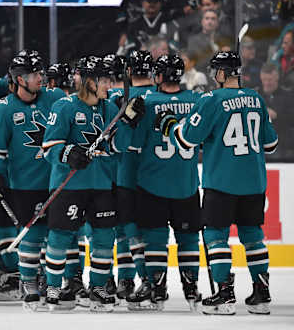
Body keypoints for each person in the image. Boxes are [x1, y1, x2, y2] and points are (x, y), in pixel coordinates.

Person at [156, 51, 278, 315]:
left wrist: (169, 125)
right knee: (253, 236)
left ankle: (224, 294)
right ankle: (262, 293)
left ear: (222, 73)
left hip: (222, 181)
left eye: (215, 71)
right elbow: (271, 143)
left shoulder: (211, 99)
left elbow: (186, 140)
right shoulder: (256, 98)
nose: (213, 75)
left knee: (215, 236)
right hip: (255, 182)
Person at [41, 56, 143, 312]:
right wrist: (69, 154)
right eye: (104, 80)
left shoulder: (110, 109)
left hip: (102, 185)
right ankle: (53, 284)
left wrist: (129, 124)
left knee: (104, 237)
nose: (109, 84)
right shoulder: (64, 107)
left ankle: (97, 286)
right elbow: (48, 147)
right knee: (60, 236)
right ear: (89, 82)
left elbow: (117, 146)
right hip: (70, 185)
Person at [0, 51, 65, 311]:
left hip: (57, 181)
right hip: (25, 185)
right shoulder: (4, 108)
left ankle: (59, 281)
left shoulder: (56, 99)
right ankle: (29, 282)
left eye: (41, 73)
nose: (41, 78)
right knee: (31, 237)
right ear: (19, 79)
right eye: (34, 74)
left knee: (61, 236)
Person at [126, 54, 202, 311]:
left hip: (152, 185)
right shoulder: (196, 100)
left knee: (156, 240)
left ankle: (157, 289)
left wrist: (128, 120)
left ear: (158, 77)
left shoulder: (146, 102)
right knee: (189, 240)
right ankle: (192, 289)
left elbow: (133, 147)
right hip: (187, 185)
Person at [108, 50, 156, 306]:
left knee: (124, 228)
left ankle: (129, 278)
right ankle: (153, 280)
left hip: (123, 171)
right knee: (150, 230)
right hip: (155, 175)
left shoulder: (117, 97)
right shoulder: (160, 97)